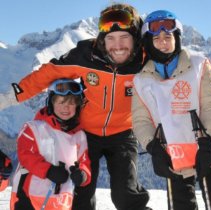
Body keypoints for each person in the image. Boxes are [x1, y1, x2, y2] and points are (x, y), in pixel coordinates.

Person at [11, 3, 151, 210]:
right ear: (103, 39)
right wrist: (12, 97)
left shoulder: (146, 60)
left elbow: (187, 72)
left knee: (126, 194)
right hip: (85, 134)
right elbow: (48, 73)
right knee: (80, 193)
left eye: (124, 37)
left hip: (122, 133)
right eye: (111, 38)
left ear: (136, 38)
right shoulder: (86, 55)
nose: (118, 45)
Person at [132, 10, 211, 210]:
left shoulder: (199, 65)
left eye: (168, 36)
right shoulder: (141, 79)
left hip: (207, 151)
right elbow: (140, 120)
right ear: (148, 42)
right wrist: (153, 147)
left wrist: (208, 141)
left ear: (177, 38)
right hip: (172, 155)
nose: (163, 41)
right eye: (156, 38)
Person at [10, 79, 91, 210]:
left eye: (71, 104)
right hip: (28, 197)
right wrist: (48, 170)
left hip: (62, 200)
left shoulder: (79, 136)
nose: (66, 107)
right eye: (61, 103)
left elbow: (84, 161)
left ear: (77, 106)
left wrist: (83, 175)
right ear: (51, 104)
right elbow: (25, 155)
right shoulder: (34, 128)